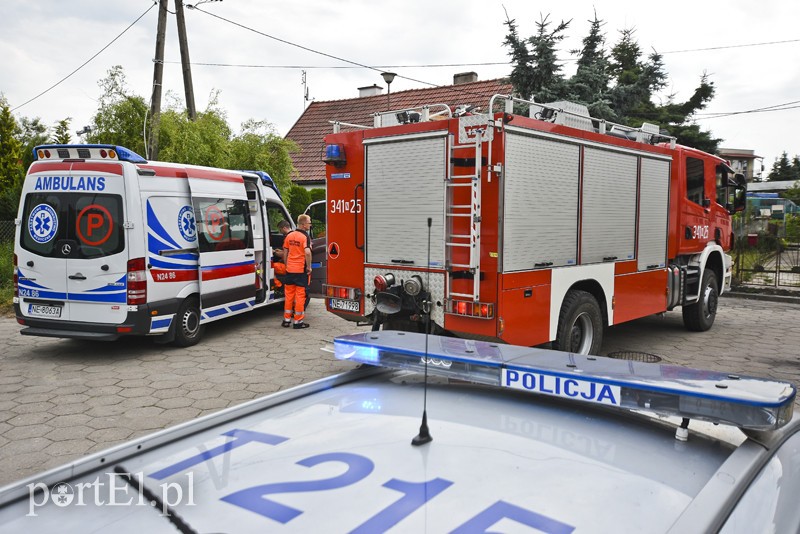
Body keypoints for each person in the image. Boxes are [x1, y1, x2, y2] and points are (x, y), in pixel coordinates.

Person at [282, 214, 312, 329]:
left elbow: (285, 252)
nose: (310, 224)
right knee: (300, 295)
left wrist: (286, 264)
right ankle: (298, 322)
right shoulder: (305, 237)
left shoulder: (289, 236)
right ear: (304, 224)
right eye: (309, 222)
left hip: (290, 269)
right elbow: (308, 253)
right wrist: (309, 267)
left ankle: (286, 320)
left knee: (289, 295)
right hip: (300, 270)